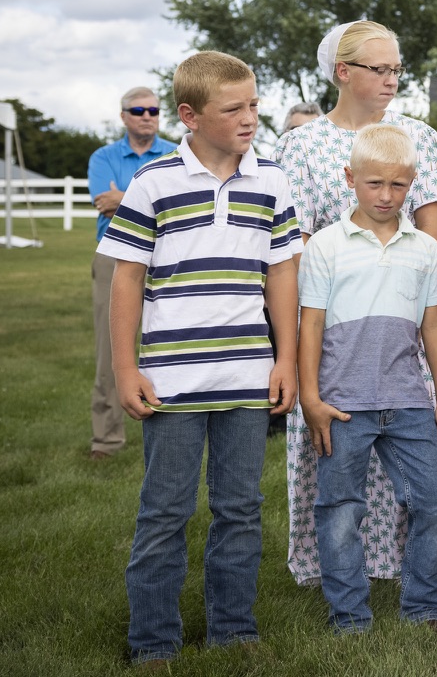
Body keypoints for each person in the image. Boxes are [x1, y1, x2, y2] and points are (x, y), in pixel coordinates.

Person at [99, 51, 301, 664]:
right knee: (165, 511)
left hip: (247, 375)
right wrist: (126, 369)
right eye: (233, 109)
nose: (250, 118)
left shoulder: (272, 180)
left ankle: (233, 632)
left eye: (254, 105)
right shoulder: (154, 181)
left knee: (240, 510)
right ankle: (152, 642)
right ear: (189, 116)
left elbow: (282, 274)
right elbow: (126, 280)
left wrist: (286, 359)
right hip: (172, 382)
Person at [274, 20, 437, 588]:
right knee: (341, 454)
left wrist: (405, 297)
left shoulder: (420, 137)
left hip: (403, 315)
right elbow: (297, 246)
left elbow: (429, 237)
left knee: (411, 445)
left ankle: (402, 565)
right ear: (343, 72)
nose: (392, 79)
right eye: (379, 69)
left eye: (397, 68)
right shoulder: (302, 145)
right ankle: (336, 569)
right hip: (332, 323)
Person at [298, 124, 437, 632]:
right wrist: (310, 398)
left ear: (412, 183)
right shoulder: (325, 246)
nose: (386, 196)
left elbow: (434, 326)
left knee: (434, 501)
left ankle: (422, 608)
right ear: (350, 178)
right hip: (342, 403)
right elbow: (310, 325)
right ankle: (349, 615)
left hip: (409, 400)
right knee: (341, 509)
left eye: (398, 185)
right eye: (374, 184)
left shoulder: (425, 249)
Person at [85, 86, 175, 460]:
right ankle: (106, 440)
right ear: (123, 116)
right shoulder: (103, 157)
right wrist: (154, 200)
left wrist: (124, 197)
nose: (147, 116)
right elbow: (104, 203)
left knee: (173, 341)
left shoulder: (175, 151)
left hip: (169, 255)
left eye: (153, 110)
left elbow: (176, 204)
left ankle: (175, 425)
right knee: (111, 348)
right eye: (138, 111)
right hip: (115, 256)